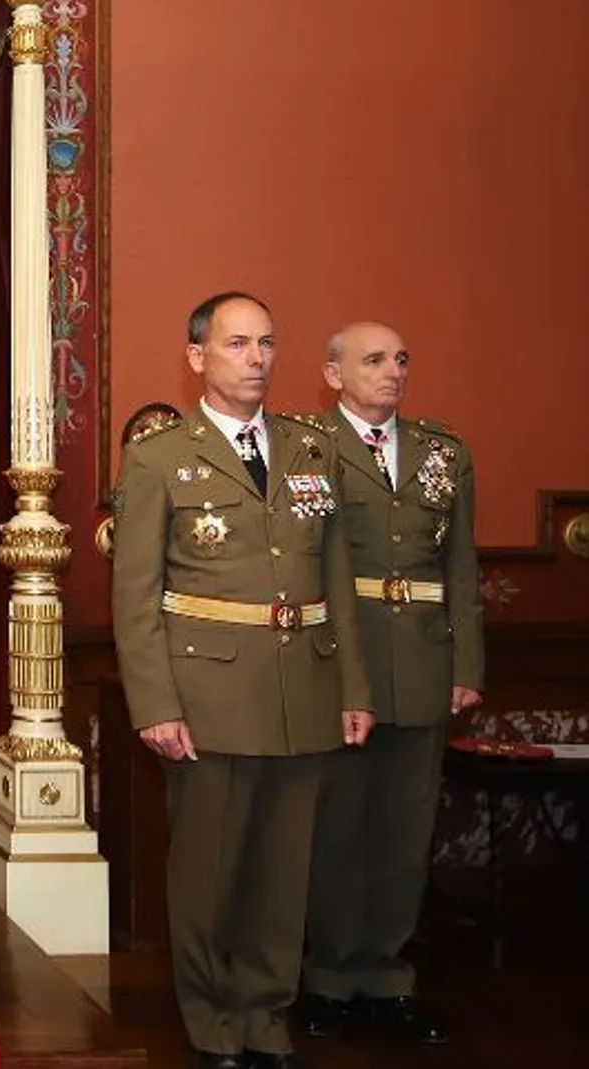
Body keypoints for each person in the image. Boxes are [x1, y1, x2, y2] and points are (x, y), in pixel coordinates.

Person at [111, 292, 374, 1069]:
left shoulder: (308, 449)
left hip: (305, 691)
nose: (256, 358)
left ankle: (266, 1016)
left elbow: (337, 580)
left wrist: (354, 688)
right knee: (210, 874)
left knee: (283, 873)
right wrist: (154, 703)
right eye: (237, 344)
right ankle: (212, 1020)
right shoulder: (159, 456)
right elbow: (135, 596)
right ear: (198, 356)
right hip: (210, 696)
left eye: (266, 343)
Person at [293, 322, 482, 1046]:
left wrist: (466, 665)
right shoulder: (307, 448)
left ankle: (388, 975)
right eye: (374, 360)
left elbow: (461, 568)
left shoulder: (444, 451)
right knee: (338, 825)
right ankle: (331, 975)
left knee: (406, 828)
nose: (394, 371)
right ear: (333, 373)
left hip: (425, 657)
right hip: (343, 657)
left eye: (402, 359)